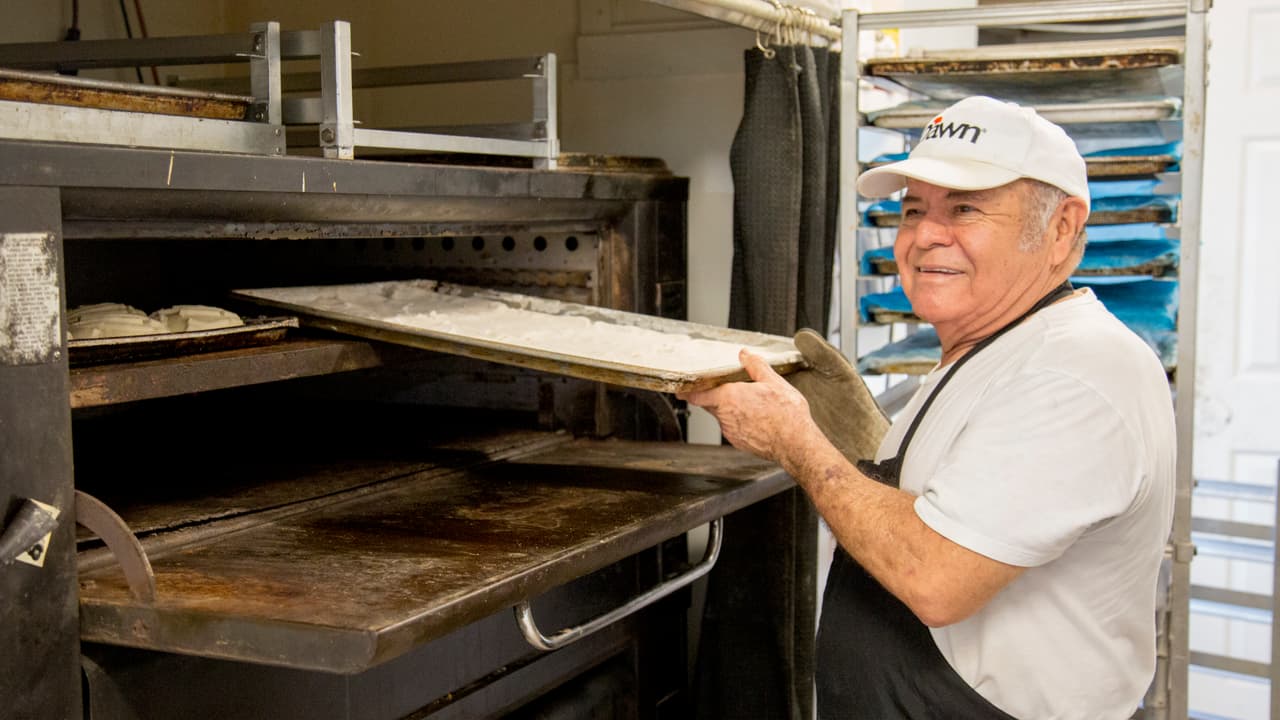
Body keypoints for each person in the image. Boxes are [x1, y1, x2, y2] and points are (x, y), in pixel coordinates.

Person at [680, 95, 1175, 719]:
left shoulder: (1077, 370)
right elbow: (969, 492)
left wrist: (797, 443)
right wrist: (853, 433)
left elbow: (934, 575)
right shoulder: (997, 343)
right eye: (913, 210)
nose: (924, 237)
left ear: (1062, 228)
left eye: (965, 208)